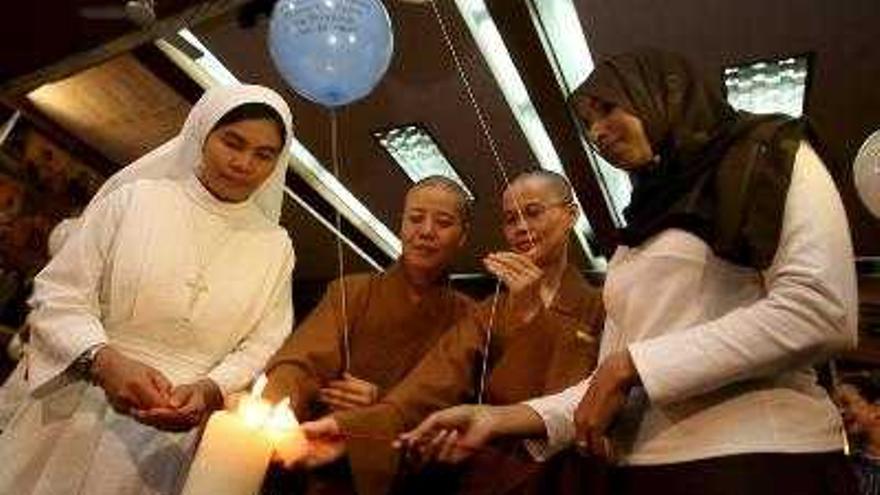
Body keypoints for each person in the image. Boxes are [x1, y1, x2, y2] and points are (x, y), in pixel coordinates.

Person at [399, 49, 859, 495]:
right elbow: (607, 383)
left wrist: (631, 365)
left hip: (756, 458)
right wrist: (502, 418)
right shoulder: (638, 224)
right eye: (587, 124)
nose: (597, 133)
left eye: (607, 109)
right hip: (638, 469)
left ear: (661, 91)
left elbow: (821, 310)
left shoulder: (769, 153)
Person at [0, 84, 296, 495]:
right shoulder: (135, 200)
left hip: (164, 434)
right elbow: (60, 294)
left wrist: (210, 388)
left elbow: (264, 340)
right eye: (233, 142)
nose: (244, 163)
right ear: (202, 133)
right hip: (78, 402)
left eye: (264, 154)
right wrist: (103, 360)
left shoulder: (275, 247)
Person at [298, 170, 605, 495]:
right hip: (487, 474)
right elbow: (436, 379)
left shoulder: (603, 304)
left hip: (564, 475)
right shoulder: (489, 310)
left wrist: (533, 318)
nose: (521, 228)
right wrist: (350, 431)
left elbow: (584, 399)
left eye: (532, 212)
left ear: (570, 214)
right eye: (510, 219)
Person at [260, 175, 477, 493]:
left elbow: (461, 405)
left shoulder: (472, 316)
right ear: (401, 224)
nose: (426, 231)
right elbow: (302, 363)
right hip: (320, 464)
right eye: (416, 218)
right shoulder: (350, 291)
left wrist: (383, 403)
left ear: (463, 236)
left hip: (406, 475)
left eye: (443, 222)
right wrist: (274, 412)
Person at [836, 377, 880, 495]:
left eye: (846, 403)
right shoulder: (846, 469)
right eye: (836, 407)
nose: (840, 412)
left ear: (877, 408)